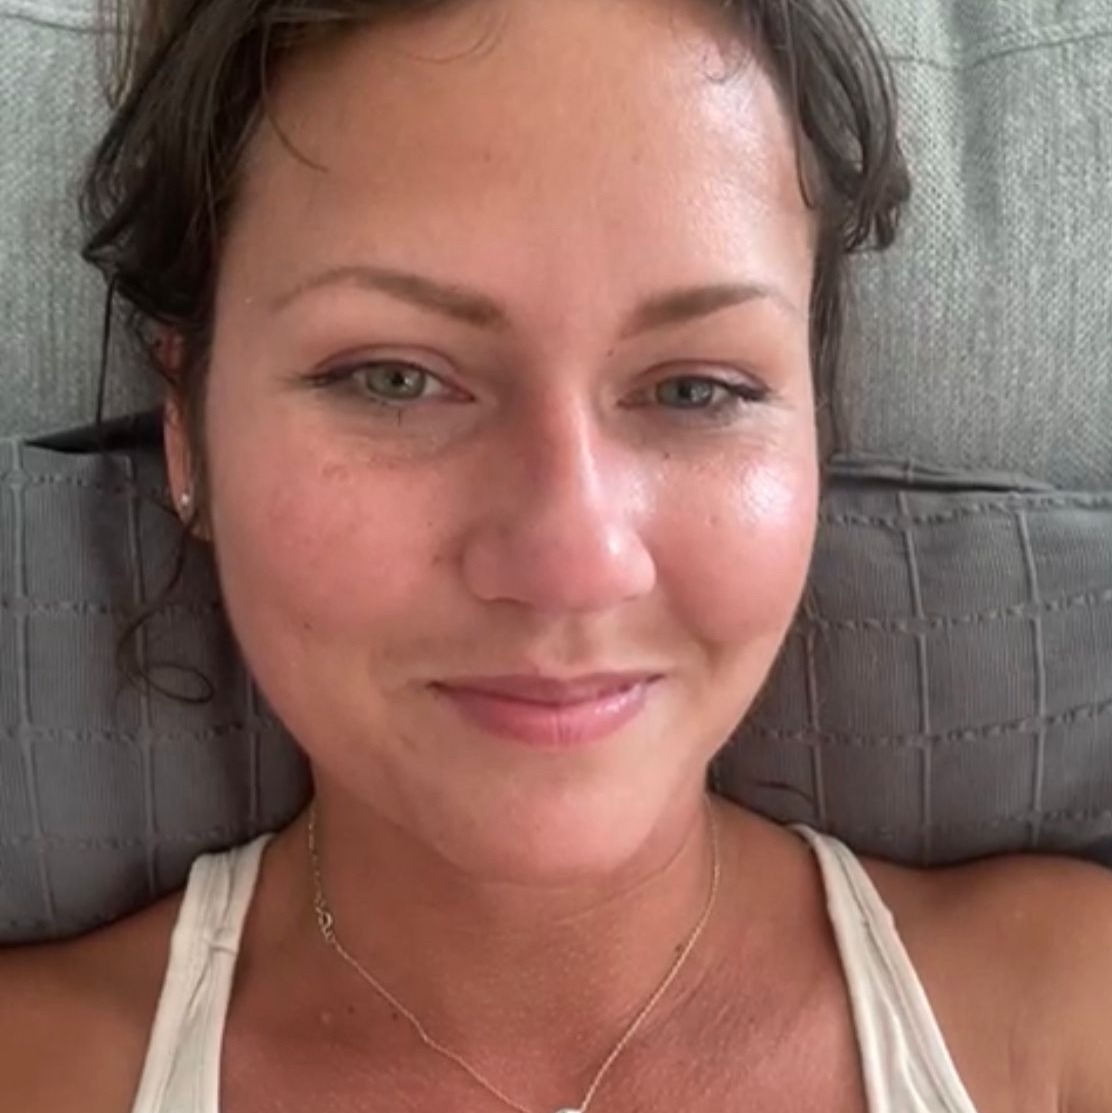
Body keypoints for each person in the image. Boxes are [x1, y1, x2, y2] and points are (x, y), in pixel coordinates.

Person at [2, 0, 1111, 1110]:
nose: (572, 561)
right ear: (187, 432)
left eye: (697, 390)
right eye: (394, 378)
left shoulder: (1065, 1026)